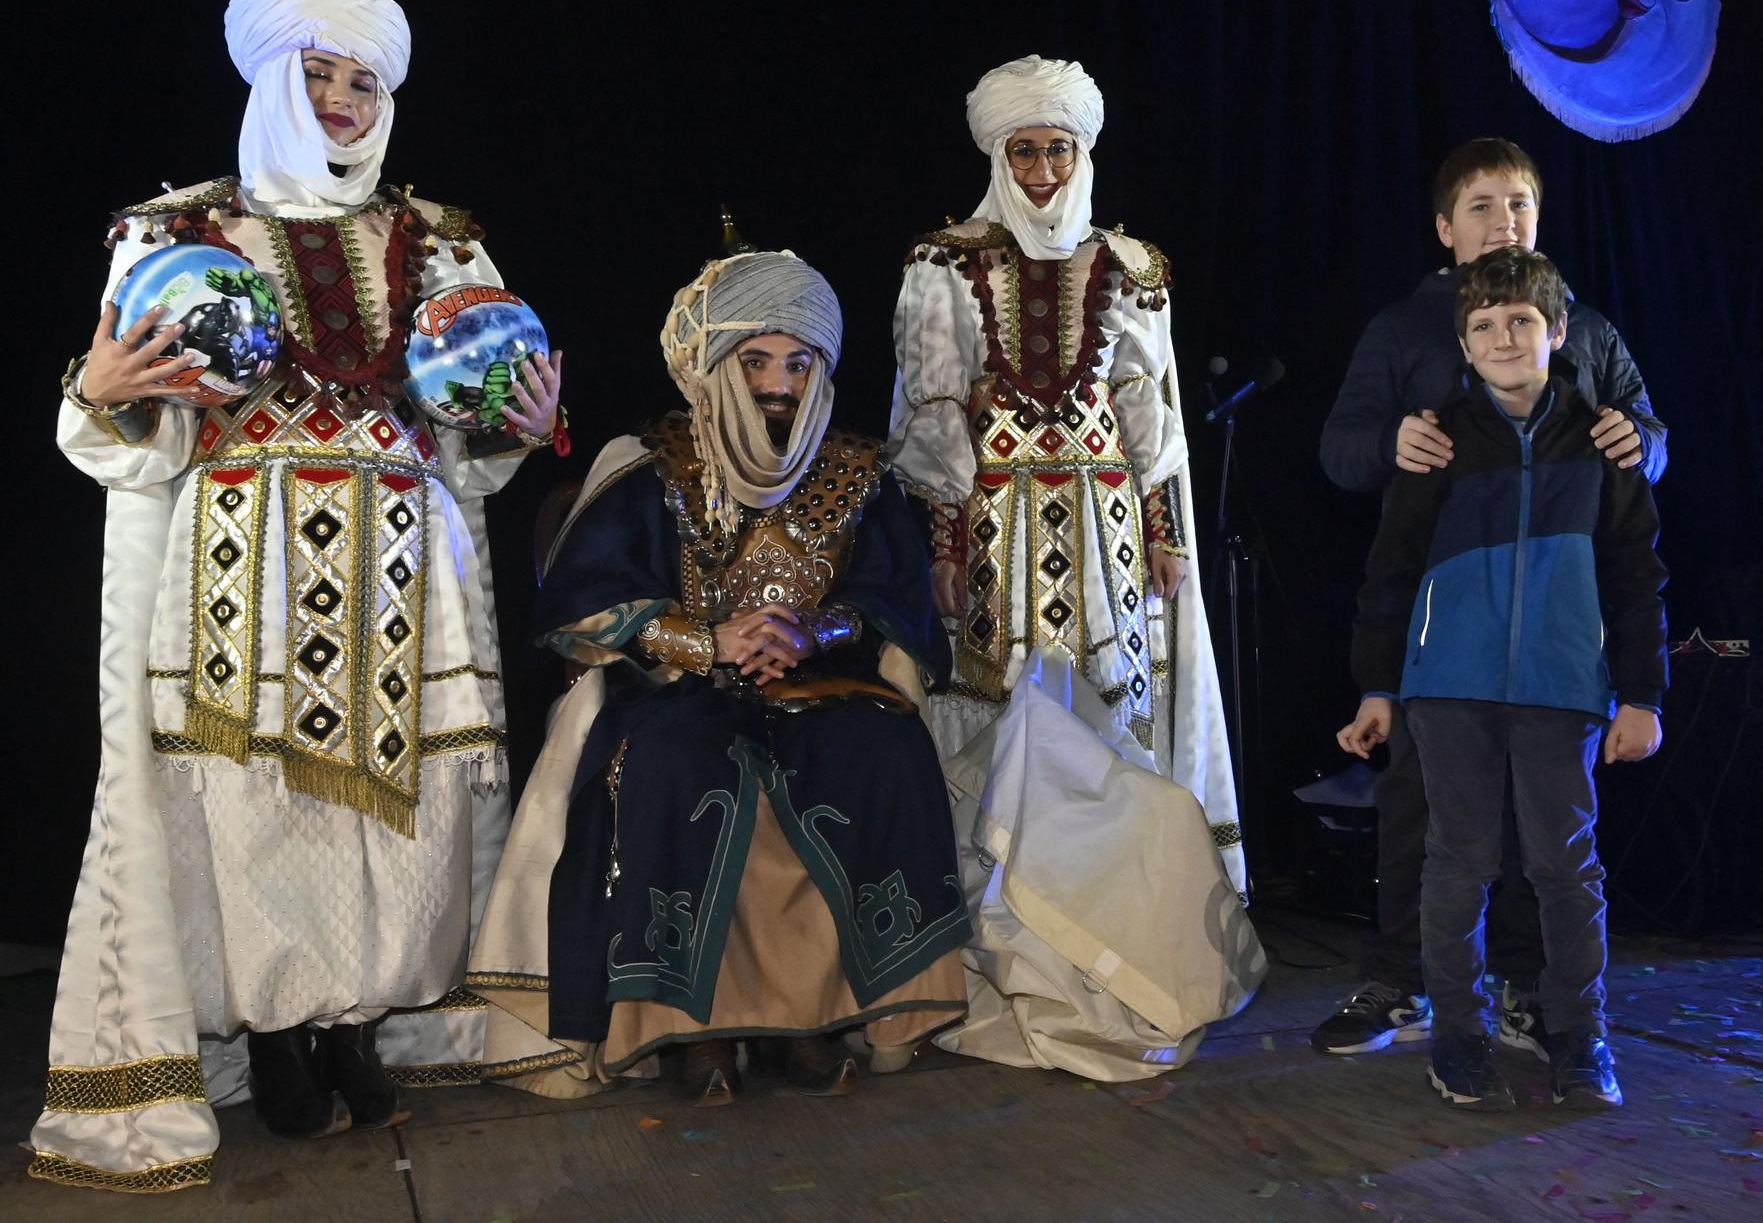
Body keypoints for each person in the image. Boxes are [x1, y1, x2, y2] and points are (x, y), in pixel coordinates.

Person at [31, 0, 559, 1194]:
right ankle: (276, 1033)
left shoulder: (439, 238)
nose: (337, 98)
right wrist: (96, 394)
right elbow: (140, 430)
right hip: (241, 557)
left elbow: (466, 427)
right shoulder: (169, 234)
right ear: (270, 79)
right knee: (256, 806)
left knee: (402, 804)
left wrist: (523, 420)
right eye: (314, 75)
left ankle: (356, 1021)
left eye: (359, 79)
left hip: (397, 558)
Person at [469, 250, 971, 1104]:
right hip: (678, 687)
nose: (779, 383)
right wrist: (711, 640)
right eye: (757, 361)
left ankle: (818, 1018)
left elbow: (897, 603)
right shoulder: (650, 464)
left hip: (819, 688)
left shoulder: (858, 472)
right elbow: (580, 608)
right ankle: (692, 1034)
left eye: (799, 362)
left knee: (875, 749)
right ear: (712, 367)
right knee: (678, 762)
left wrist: (816, 632)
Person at [883, 56, 1263, 1081]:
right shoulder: (943, 262)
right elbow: (928, 410)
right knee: (999, 721)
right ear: (998, 154)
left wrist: (1168, 535)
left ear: (1082, 153)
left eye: (1058, 148)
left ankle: (1114, 951)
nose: (1044, 167)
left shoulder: (1132, 266)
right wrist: (949, 544)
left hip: (1105, 531)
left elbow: (1155, 417)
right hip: (999, 526)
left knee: (1108, 723)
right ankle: (1009, 948)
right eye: (1025, 149)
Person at [1313, 137, 1667, 1060]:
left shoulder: (1581, 328)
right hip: (1448, 633)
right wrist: (1392, 439)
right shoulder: (1403, 328)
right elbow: (1339, 450)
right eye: (1482, 205)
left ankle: (1520, 990)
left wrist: (1642, 441)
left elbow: (1648, 450)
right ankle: (1402, 982)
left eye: (1519, 205)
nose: (1504, 220)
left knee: (1544, 833)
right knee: (1426, 821)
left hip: (1553, 632)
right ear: (1444, 226)